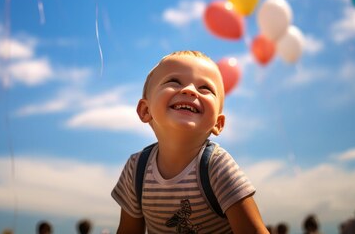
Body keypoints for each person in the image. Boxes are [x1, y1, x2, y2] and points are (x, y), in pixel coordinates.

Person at [111, 50, 269, 233]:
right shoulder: (136, 169)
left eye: (205, 88)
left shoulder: (216, 166)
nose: (190, 90)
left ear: (218, 123)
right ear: (145, 110)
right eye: (174, 82)